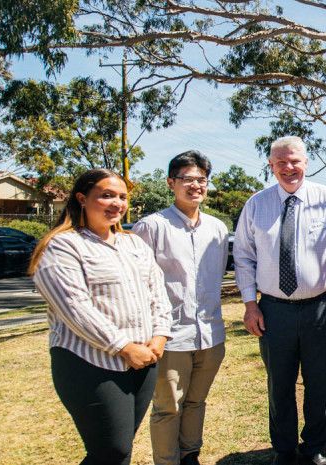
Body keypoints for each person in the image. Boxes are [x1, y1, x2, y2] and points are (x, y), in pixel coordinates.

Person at [30, 168, 172, 465]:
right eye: (106, 195)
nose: (117, 203)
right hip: (89, 365)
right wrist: (123, 347)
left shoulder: (133, 243)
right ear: (82, 198)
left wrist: (160, 336)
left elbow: (157, 292)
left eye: (122, 197)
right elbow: (74, 308)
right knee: (112, 451)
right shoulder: (63, 246)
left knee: (118, 450)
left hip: (143, 362)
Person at [233, 136, 326, 465]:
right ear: (271, 166)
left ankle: (315, 446)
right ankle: (284, 450)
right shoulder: (256, 205)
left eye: (295, 161)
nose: (289, 168)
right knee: (280, 383)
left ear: (306, 162)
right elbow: (243, 257)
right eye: (281, 162)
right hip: (274, 310)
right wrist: (249, 304)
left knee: (320, 382)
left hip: (322, 306)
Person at [133, 151, 229, 465]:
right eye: (187, 179)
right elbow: (138, 283)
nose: (195, 186)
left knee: (197, 401)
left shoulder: (217, 229)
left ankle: (190, 455)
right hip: (170, 335)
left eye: (201, 179)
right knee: (168, 406)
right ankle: (166, 460)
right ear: (171, 183)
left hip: (210, 334)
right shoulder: (151, 227)